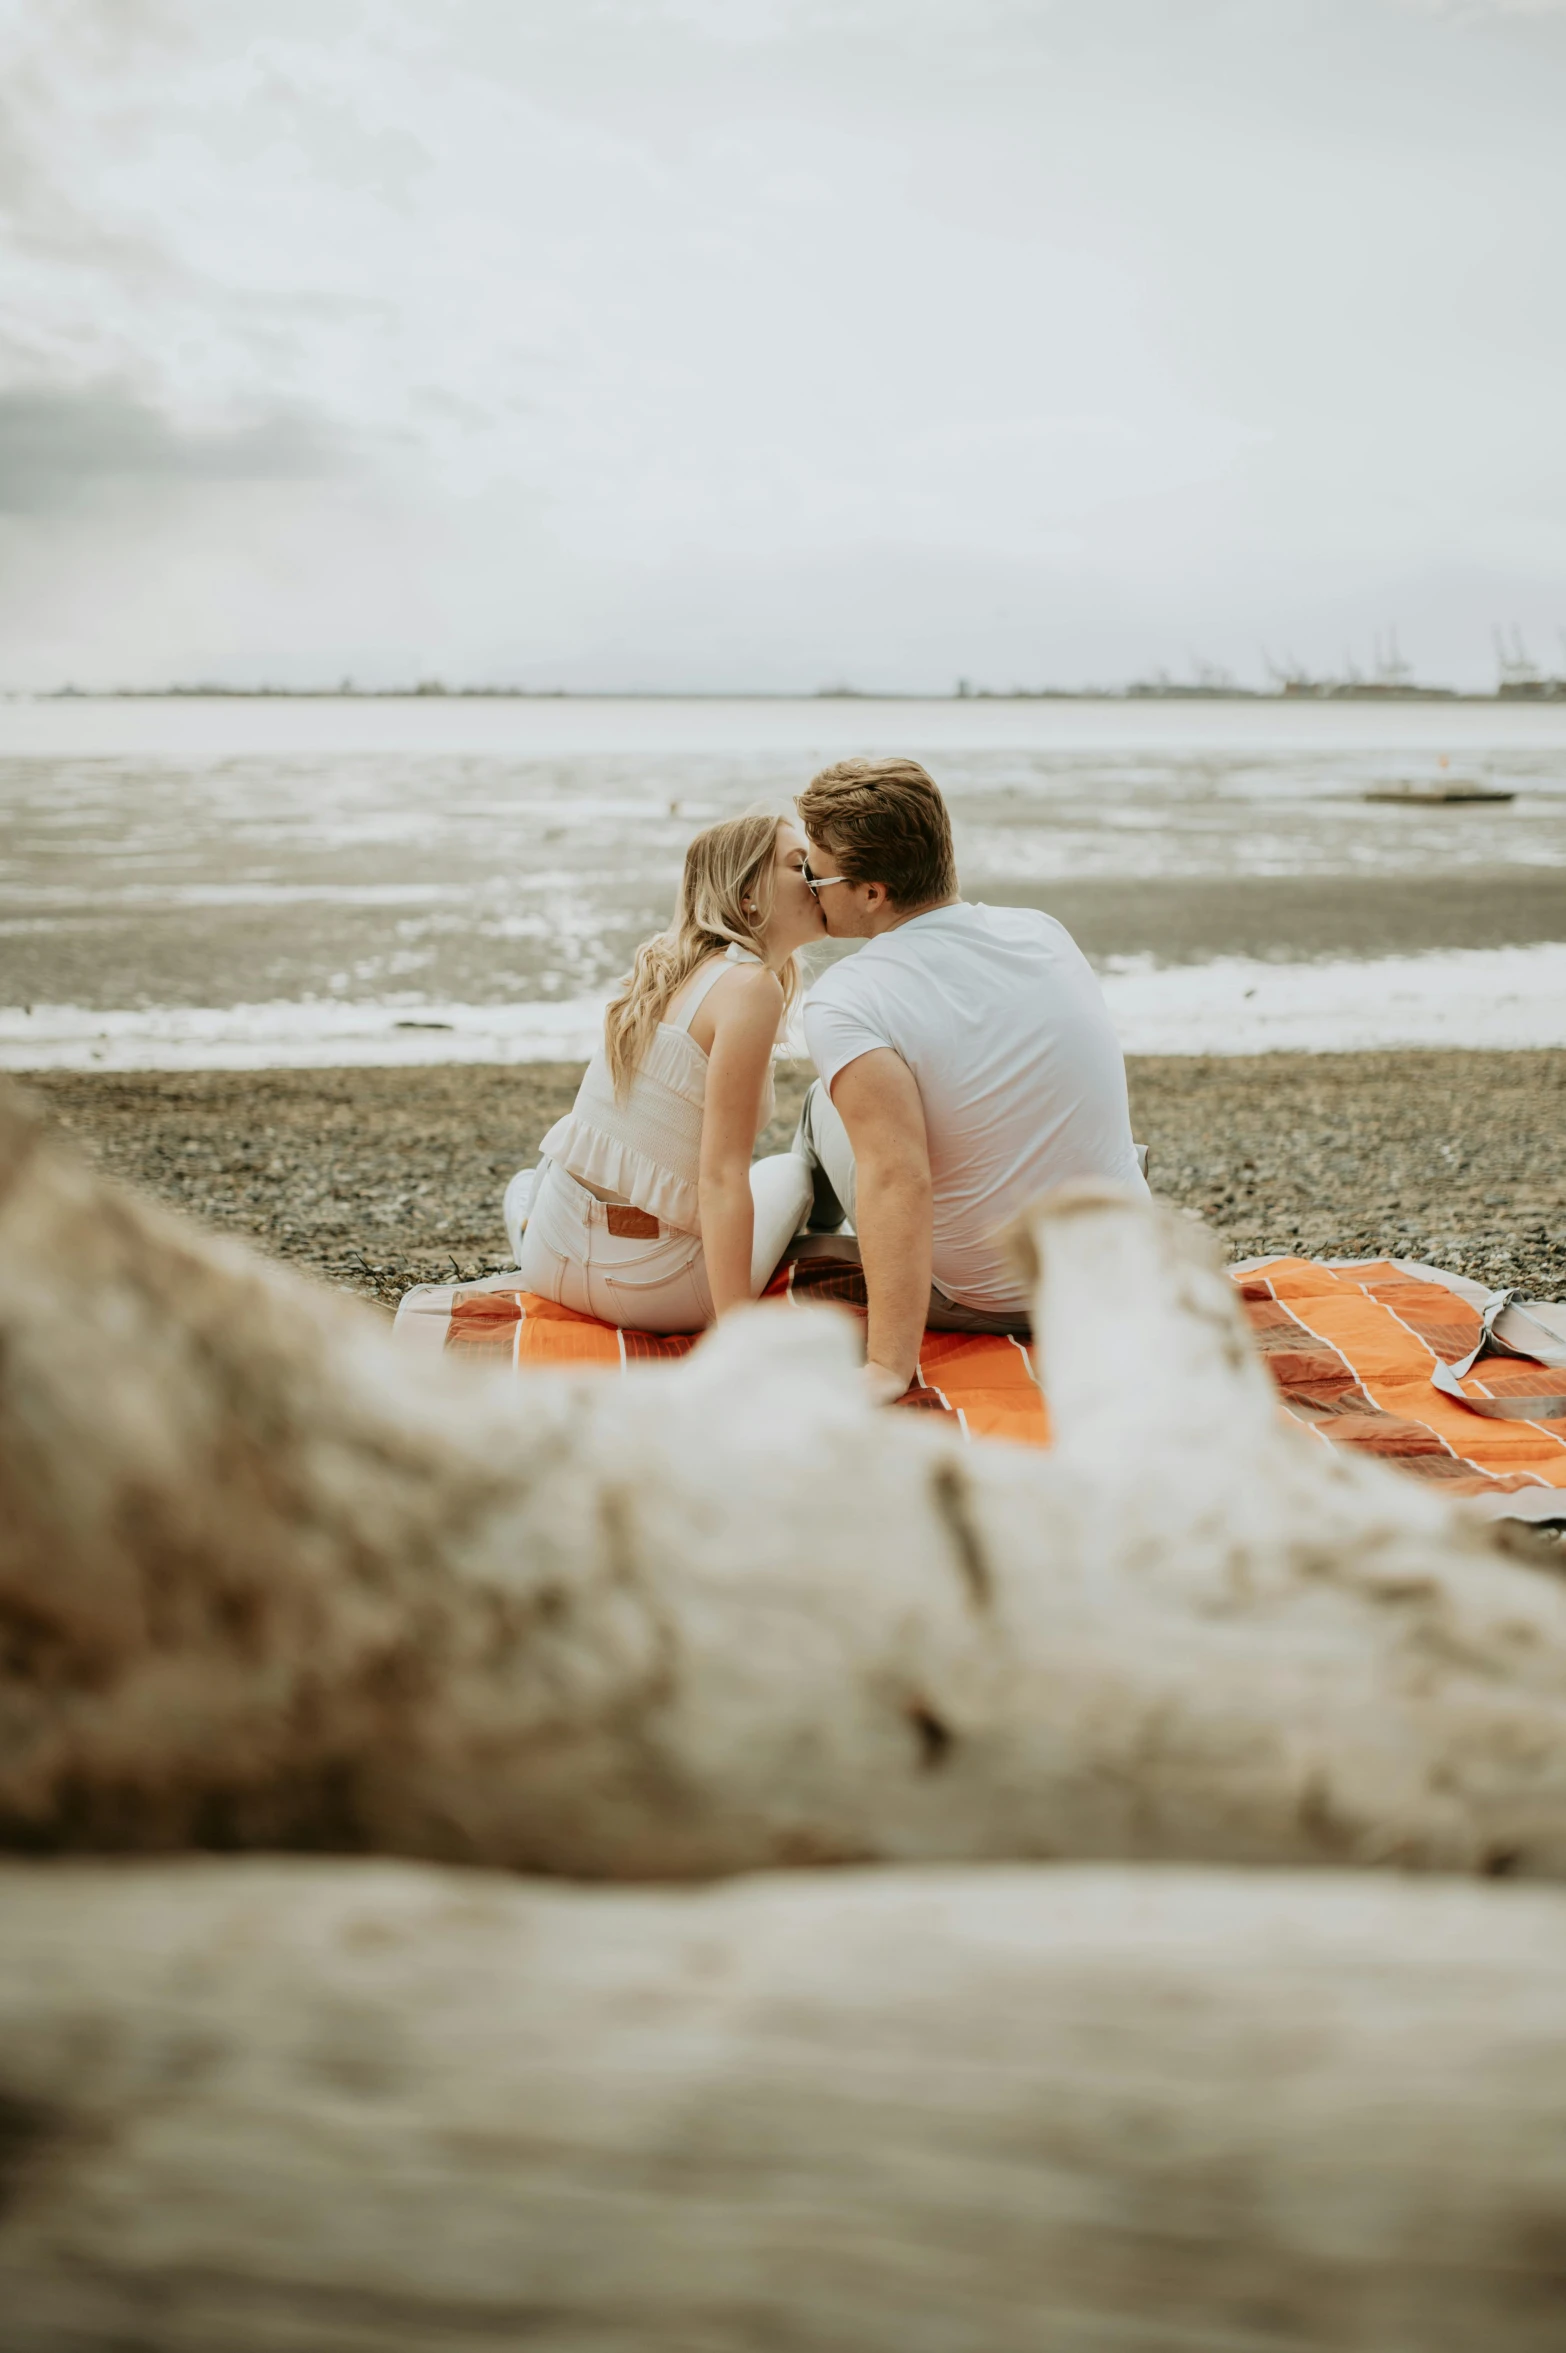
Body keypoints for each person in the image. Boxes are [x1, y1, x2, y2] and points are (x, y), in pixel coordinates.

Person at [794, 756, 1148, 1402]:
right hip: (1113, 1276)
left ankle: (804, 1253)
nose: (806, 887)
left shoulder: (847, 996)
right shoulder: (1041, 930)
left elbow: (897, 1176)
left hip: (988, 1296)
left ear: (872, 892)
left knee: (826, 1102)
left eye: (815, 874)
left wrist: (887, 1366)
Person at [508, 812, 822, 1333]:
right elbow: (721, 1180)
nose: (817, 877)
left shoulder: (665, 967)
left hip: (550, 1260)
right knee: (792, 1173)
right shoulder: (750, 988)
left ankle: (524, 1217)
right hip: (657, 1290)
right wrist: (737, 1337)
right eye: (799, 866)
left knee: (535, 1179)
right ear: (748, 894)